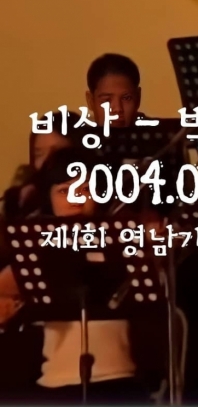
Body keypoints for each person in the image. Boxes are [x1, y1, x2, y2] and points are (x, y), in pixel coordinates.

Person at [0, 147, 149, 404]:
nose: (75, 198)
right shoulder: (38, 245)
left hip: (121, 378)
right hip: (58, 381)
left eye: (85, 189)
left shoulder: (121, 238)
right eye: (63, 191)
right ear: (48, 197)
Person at [86, 53, 143, 128]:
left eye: (126, 98)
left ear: (138, 98)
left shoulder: (154, 132)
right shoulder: (77, 133)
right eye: (106, 100)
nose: (118, 109)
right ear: (90, 101)